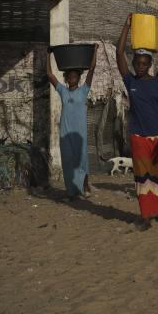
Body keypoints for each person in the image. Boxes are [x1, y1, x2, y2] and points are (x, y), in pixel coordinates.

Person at [117, 14, 158, 231]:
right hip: (138, 136)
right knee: (142, 177)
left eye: (143, 63)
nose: (140, 66)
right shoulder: (130, 80)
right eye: (137, 63)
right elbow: (118, 53)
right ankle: (145, 215)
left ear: (150, 64)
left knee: (157, 176)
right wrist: (126, 25)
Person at [47, 43, 98, 199]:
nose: (72, 78)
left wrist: (94, 51)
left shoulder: (83, 91)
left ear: (79, 78)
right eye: (70, 76)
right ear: (67, 79)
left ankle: (85, 186)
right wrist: (47, 54)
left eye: (75, 76)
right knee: (68, 162)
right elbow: (49, 75)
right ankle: (71, 191)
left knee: (82, 160)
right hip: (65, 133)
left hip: (80, 133)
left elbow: (92, 69)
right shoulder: (63, 91)